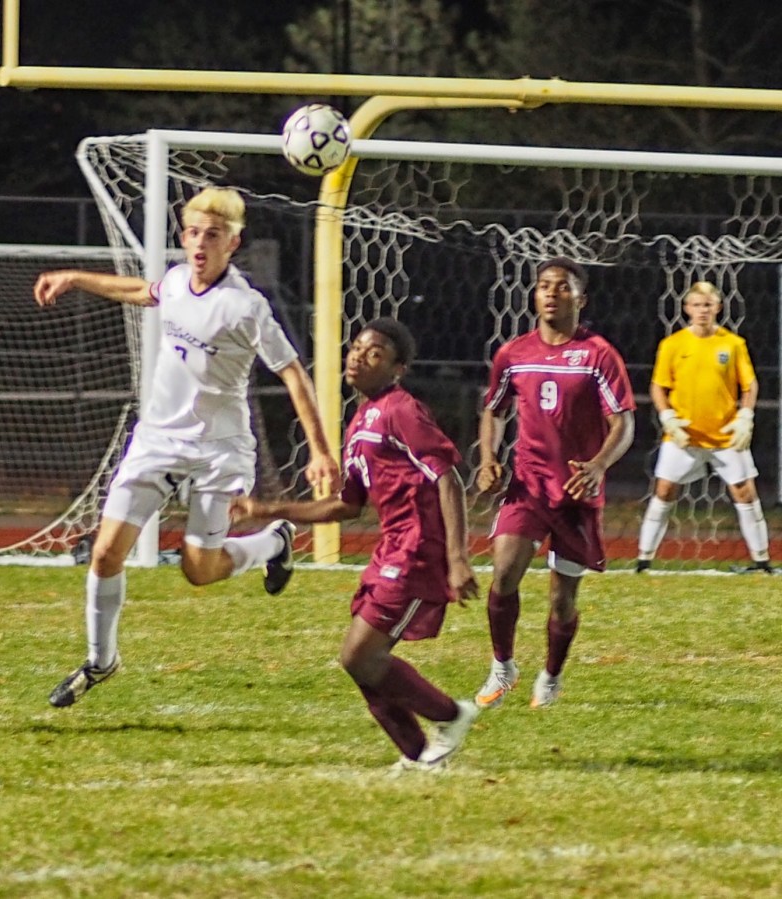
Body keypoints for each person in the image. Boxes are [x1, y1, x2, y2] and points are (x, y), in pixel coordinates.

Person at [33, 186, 339, 708]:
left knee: (199, 570)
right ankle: (100, 660)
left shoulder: (245, 307)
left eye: (212, 235)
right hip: (157, 441)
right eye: (193, 233)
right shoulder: (177, 281)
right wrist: (74, 278)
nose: (200, 243)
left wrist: (321, 450)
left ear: (233, 243)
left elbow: (292, 372)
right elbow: (142, 291)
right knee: (105, 552)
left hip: (220, 451)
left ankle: (273, 543)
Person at [232, 318, 479, 771]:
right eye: (357, 348)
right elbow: (346, 505)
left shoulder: (402, 411)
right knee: (359, 660)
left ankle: (451, 715)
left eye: (375, 353)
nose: (359, 357)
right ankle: (418, 755)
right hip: (392, 547)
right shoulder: (362, 420)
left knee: (360, 655)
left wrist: (457, 559)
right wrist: (268, 508)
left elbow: (448, 478)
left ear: (397, 369)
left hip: (419, 549)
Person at [474, 257, 635, 710]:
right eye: (544, 285)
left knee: (562, 597)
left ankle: (551, 674)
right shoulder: (513, 354)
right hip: (528, 485)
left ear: (581, 299)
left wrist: (598, 465)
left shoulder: (598, 355)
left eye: (562, 286)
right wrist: (488, 458)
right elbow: (494, 410)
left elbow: (623, 423)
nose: (550, 293)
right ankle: (502, 667)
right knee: (504, 573)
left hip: (577, 492)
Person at [635, 281, 772, 573]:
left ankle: (761, 562)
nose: (702, 310)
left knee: (745, 492)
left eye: (708, 305)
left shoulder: (733, 344)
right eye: (697, 305)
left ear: (718, 307)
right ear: (686, 308)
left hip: (725, 436)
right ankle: (643, 561)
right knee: (664, 490)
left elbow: (749, 385)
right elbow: (658, 386)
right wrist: (667, 417)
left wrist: (745, 416)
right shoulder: (672, 345)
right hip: (683, 436)